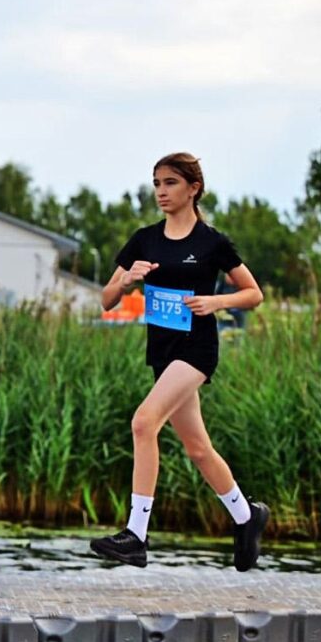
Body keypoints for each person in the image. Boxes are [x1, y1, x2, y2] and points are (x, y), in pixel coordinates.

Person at [90, 153, 267, 571]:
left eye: (170, 183)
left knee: (143, 422)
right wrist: (127, 280)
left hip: (197, 349)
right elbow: (106, 299)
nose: (161, 192)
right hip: (163, 352)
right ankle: (247, 516)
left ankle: (136, 535)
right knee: (199, 448)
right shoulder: (144, 240)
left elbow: (253, 294)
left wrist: (217, 301)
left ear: (193, 188)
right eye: (156, 183)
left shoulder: (211, 243)